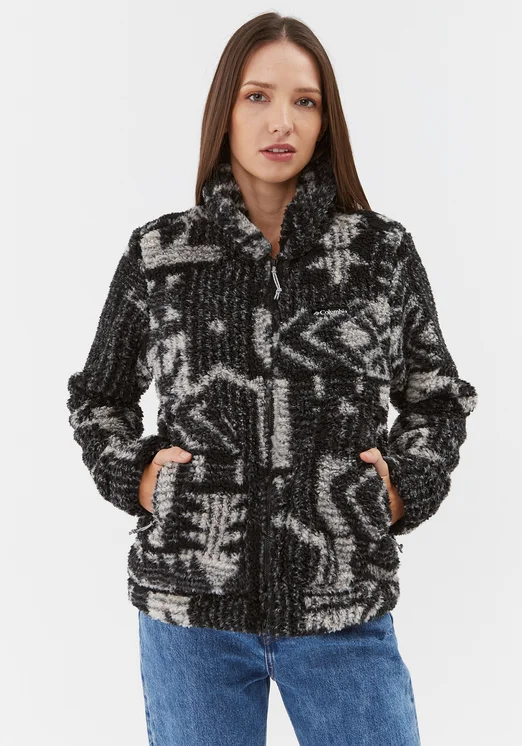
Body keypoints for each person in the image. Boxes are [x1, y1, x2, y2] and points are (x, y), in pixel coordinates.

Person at [67, 11, 478, 746]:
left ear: (326, 121)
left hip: (341, 607)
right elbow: (99, 396)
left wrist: (397, 490)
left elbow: (437, 400)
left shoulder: (379, 254)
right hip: (191, 616)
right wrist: (140, 478)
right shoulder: (161, 254)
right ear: (224, 109)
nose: (281, 120)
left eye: (304, 101)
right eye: (257, 96)